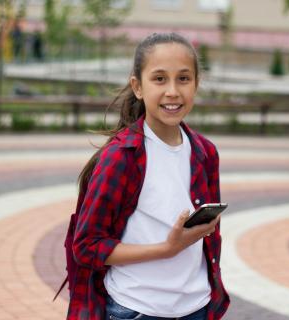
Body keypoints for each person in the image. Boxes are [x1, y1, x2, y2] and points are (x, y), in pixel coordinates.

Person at [68, 32, 230, 320]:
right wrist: (167, 248)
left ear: (196, 84)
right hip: (138, 308)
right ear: (138, 87)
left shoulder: (206, 153)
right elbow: (87, 246)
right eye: (159, 79)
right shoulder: (121, 157)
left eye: (183, 79)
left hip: (198, 307)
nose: (172, 91)